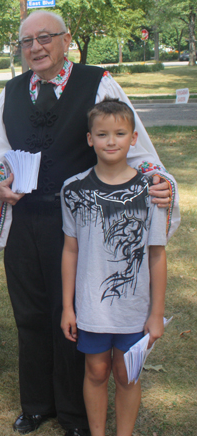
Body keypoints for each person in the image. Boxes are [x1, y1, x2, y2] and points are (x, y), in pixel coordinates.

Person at [0, 10, 179, 436]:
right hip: (26, 219)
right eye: (26, 41)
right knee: (30, 315)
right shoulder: (11, 92)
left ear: (66, 40)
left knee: (72, 317)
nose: (35, 47)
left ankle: (73, 416)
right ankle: (35, 405)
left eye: (45, 38)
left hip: (82, 223)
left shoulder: (98, 83)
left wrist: (158, 181)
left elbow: (132, 141)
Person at [60, 98, 168, 436]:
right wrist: (67, 306)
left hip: (134, 308)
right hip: (92, 304)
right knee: (96, 371)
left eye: (120, 133)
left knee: (126, 375)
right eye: (103, 134)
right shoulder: (74, 190)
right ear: (90, 139)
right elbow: (71, 249)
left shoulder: (153, 191)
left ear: (134, 138)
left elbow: (157, 254)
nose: (111, 141)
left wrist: (156, 312)